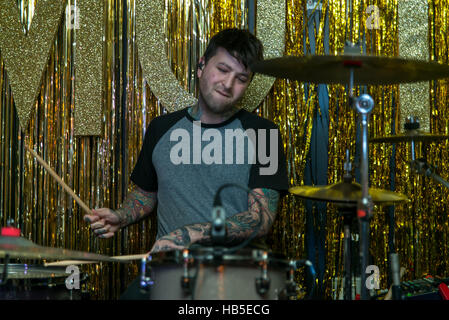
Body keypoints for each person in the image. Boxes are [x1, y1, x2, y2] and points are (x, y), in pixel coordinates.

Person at [84, 28, 289, 255]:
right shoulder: (160, 128)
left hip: (234, 274)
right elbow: (147, 194)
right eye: (222, 69)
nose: (228, 84)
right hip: (171, 271)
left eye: (241, 79)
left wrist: (191, 234)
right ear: (201, 66)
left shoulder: (264, 134)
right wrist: (120, 217)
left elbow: (261, 218)